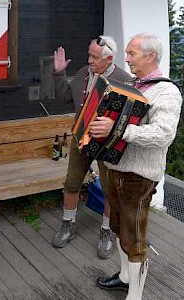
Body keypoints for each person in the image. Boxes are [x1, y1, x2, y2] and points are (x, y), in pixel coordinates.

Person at [94, 33, 182, 299]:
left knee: (135, 239)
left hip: (139, 176)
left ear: (150, 55)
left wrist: (119, 130)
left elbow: (164, 134)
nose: (127, 58)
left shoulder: (166, 91)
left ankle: (135, 296)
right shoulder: (134, 85)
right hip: (116, 168)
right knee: (119, 228)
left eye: (132, 53)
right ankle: (124, 277)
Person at [51, 36, 132, 259]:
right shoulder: (83, 73)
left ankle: (107, 231)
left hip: (108, 143)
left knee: (109, 188)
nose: (90, 60)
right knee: (72, 182)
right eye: (89, 55)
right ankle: (68, 223)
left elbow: (131, 118)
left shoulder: (124, 80)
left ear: (109, 58)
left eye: (95, 57)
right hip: (81, 138)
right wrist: (58, 74)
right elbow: (65, 97)